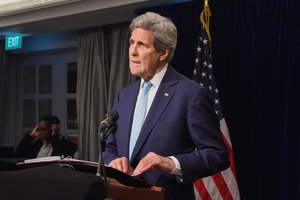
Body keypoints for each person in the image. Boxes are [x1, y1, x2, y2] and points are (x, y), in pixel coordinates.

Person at [104, 12, 229, 199]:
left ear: (163, 53)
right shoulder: (125, 95)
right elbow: (110, 146)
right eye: (131, 43)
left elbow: (217, 154)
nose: (132, 51)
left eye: (142, 45)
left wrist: (171, 163)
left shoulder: (191, 94)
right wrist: (113, 161)